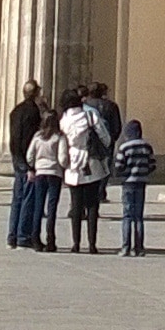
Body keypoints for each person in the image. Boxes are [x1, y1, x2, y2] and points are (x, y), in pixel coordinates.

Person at [61, 87, 110, 254]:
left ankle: (75, 243)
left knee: (76, 205)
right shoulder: (90, 114)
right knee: (92, 205)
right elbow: (104, 136)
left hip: (72, 163)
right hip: (91, 161)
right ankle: (92, 244)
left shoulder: (64, 119)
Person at [2, 83, 44, 245]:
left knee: (17, 198)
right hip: (27, 158)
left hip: (16, 156)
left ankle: (12, 235)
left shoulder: (16, 110)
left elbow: (15, 136)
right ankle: (23, 235)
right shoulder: (33, 112)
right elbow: (30, 138)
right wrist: (30, 165)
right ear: (36, 93)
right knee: (28, 198)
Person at [22, 105, 65, 252]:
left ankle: (35, 239)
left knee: (38, 206)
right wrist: (63, 167)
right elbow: (63, 158)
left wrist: (34, 166)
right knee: (52, 208)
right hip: (54, 173)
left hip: (40, 173)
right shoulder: (59, 137)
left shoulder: (37, 137)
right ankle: (50, 240)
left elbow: (29, 156)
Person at [114, 119, 156, 256]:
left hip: (128, 183)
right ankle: (139, 248)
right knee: (138, 217)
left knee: (127, 216)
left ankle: (125, 247)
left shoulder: (124, 147)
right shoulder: (147, 147)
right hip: (141, 183)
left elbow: (119, 166)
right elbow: (152, 165)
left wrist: (123, 173)